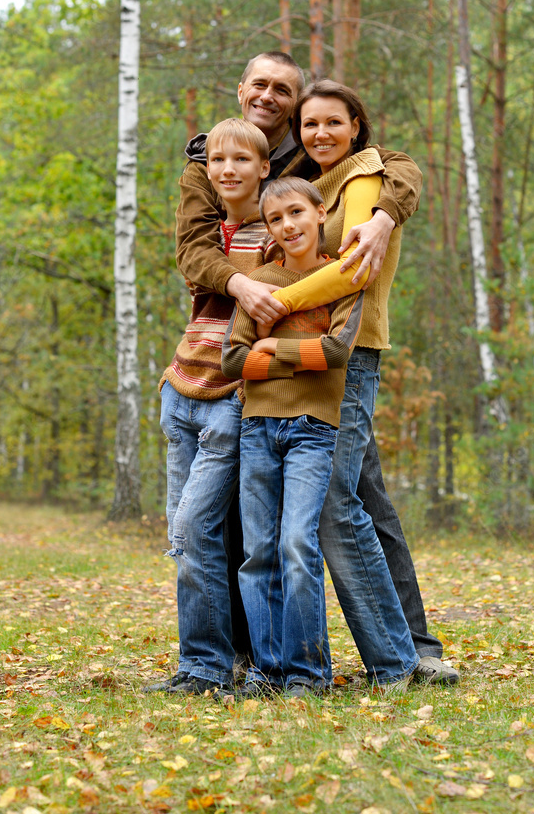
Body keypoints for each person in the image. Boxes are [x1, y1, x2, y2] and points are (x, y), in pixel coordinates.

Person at [175, 52, 457, 685]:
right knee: (261, 521)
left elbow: (398, 166)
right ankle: (255, 657)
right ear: (240, 90)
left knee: (350, 503)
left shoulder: (320, 167)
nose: (270, 98)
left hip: (333, 352)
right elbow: (193, 251)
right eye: (261, 86)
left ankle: (408, 651)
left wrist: (387, 214)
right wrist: (246, 291)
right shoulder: (212, 164)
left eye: (286, 91)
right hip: (242, 361)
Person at [222, 177, 418, 696]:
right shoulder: (258, 281)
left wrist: (269, 351)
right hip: (256, 429)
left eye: (296, 213)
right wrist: (276, 356)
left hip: (314, 430)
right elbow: (232, 360)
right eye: (276, 219)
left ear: (318, 214)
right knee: (258, 553)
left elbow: (335, 353)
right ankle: (267, 671)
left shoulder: (342, 277)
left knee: (296, 547)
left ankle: (308, 673)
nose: (288, 226)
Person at [146, 118, 273, 697]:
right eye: (216, 161)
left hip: (227, 400)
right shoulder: (207, 236)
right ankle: (199, 664)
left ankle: (209, 666)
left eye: (241, 161)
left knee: (198, 529)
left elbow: (278, 297)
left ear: (264, 169)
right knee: (183, 535)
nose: (227, 170)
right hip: (182, 391)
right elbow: (195, 270)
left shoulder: (274, 237)